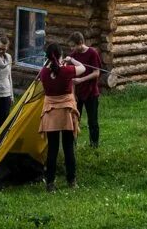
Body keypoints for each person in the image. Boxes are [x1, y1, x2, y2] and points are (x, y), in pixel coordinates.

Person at [37, 43, 90, 191]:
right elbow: (83, 68)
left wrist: (59, 63)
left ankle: (50, 183)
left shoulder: (43, 73)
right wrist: (71, 60)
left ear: (47, 57)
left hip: (51, 113)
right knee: (68, 148)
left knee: (52, 149)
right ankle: (71, 181)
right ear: (60, 56)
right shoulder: (67, 71)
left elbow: (50, 72)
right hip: (66, 112)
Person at [69, 32, 103, 148]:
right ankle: (73, 144)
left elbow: (96, 73)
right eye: (71, 46)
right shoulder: (74, 55)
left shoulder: (92, 53)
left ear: (81, 43)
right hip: (77, 94)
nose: (72, 48)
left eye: (73, 45)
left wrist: (81, 80)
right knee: (74, 119)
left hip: (91, 92)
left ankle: (94, 145)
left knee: (92, 121)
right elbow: (71, 73)